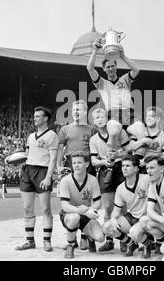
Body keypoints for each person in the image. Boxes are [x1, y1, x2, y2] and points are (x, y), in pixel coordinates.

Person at [86, 38, 146, 156]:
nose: (110, 69)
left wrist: (122, 55)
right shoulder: (101, 83)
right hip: (113, 113)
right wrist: (95, 50)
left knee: (141, 132)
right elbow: (90, 68)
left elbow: (136, 69)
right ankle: (111, 158)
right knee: (113, 132)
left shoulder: (125, 79)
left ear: (116, 66)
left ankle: (137, 159)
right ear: (104, 69)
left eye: (112, 66)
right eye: (107, 67)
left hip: (130, 113)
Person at [14, 106, 58, 252]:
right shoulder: (30, 136)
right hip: (27, 171)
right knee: (27, 208)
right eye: (34, 116)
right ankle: (29, 241)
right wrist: (15, 160)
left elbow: (53, 159)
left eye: (38, 116)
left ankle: (46, 241)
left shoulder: (52, 135)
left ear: (45, 118)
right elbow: (27, 155)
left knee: (45, 209)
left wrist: (48, 177)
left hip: (42, 172)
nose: (34, 118)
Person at [57, 100, 97, 250]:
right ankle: (71, 238)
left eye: (79, 109)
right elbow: (60, 148)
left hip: (87, 165)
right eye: (74, 109)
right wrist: (58, 165)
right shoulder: (65, 129)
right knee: (70, 201)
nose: (75, 112)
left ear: (85, 112)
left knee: (87, 200)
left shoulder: (92, 129)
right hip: (70, 165)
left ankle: (85, 236)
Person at [89, 108, 130, 252]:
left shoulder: (120, 132)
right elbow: (94, 161)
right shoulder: (93, 139)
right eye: (96, 117)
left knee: (122, 206)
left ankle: (126, 240)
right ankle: (110, 240)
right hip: (105, 170)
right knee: (107, 208)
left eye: (102, 116)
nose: (99, 119)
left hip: (120, 168)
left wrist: (119, 153)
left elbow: (129, 150)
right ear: (93, 122)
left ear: (107, 118)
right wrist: (103, 162)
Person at [102, 155, 151, 257]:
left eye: (128, 166)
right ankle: (131, 243)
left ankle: (148, 244)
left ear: (136, 168)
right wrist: (113, 219)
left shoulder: (147, 179)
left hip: (149, 217)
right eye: (123, 165)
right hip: (133, 217)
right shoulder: (120, 188)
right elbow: (116, 210)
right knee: (107, 227)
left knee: (135, 233)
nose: (124, 168)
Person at [59, 151, 104, 259]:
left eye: (79, 162)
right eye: (74, 163)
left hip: (86, 214)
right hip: (69, 214)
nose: (76, 165)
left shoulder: (93, 180)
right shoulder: (65, 181)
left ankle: (90, 237)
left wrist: (89, 210)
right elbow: (65, 206)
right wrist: (83, 211)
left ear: (87, 164)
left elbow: (98, 202)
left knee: (100, 237)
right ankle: (71, 244)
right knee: (74, 218)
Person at [128, 106, 164, 171]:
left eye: (151, 116)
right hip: (137, 170)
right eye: (147, 116)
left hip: (155, 170)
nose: (148, 118)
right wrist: (143, 141)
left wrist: (148, 161)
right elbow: (129, 148)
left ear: (158, 119)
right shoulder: (138, 132)